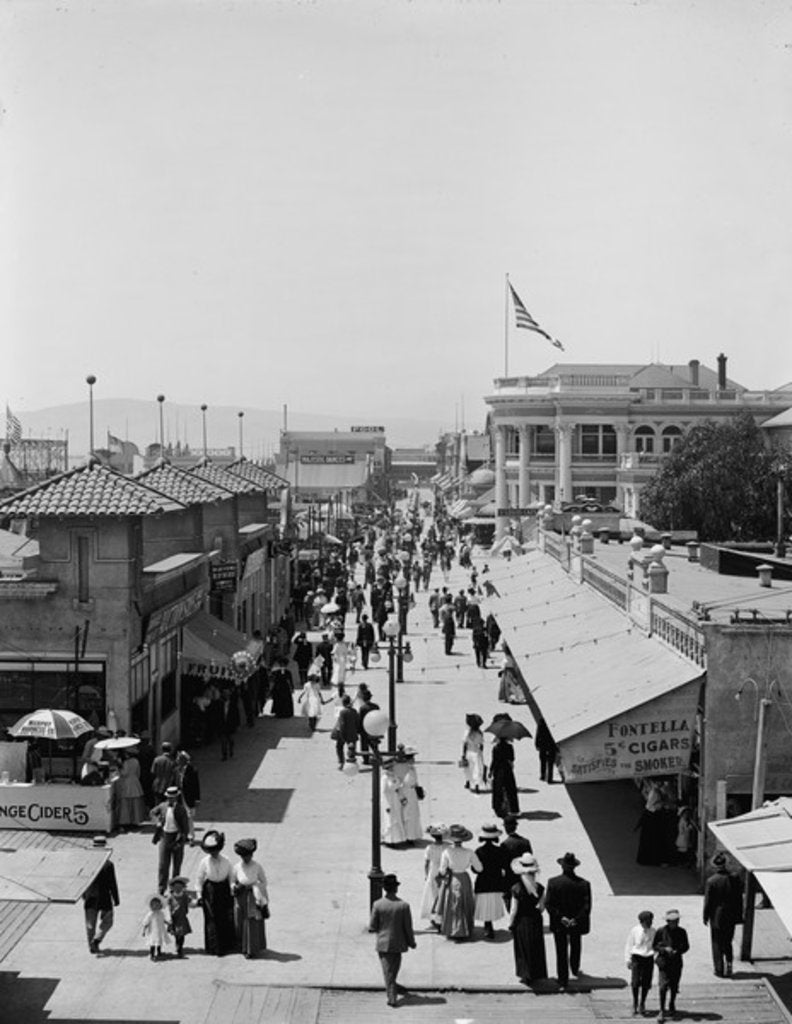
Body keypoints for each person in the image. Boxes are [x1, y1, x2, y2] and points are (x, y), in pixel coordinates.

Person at [544, 851, 592, 991]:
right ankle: (575, 968)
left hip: (560, 923)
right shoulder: (584, 884)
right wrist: (576, 919)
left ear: (562, 866)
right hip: (576, 922)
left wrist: (561, 917)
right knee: (576, 945)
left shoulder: (553, 882)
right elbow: (587, 906)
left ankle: (563, 979)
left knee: (561, 950)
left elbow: (549, 904)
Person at [369, 873, 416, 1009]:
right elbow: (408, 928)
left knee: (388, 971)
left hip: (383, 944)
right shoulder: (404, 906)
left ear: (384, 888)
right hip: (398, 943)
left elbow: (372, 926)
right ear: (395, 889)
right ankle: (393, 991)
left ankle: (392, 996)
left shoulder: (377, 905)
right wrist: (411, 942)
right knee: (393, 969)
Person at [435, 824, 481, 941]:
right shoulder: (469, 852)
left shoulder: (447, 851)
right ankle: (465, 929)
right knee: (465, 902)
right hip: (464, 878)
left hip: (452, 878)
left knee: (452, 903)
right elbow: (479, 868)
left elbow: (442, 869)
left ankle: (452, 929)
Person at [507, 852, 547, 987]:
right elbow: (542, 907)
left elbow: (513, 910)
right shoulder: (540, 888)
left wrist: (510, 924)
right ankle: (536, 973)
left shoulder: (516, 888)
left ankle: (525, 974)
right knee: (535, 947)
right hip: (535, 919)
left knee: (523, 949)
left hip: (521, 921)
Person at [195, 830, 236, 956]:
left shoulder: (226, 860)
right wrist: (199, 895)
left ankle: (227, 946)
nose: (213, 853)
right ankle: (213, 947)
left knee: (225, 917)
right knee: (211, 919)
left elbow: (231, 877)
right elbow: (199, 879)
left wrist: (232, 888)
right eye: (211, 851)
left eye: (215, 850)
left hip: (223, 890)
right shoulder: (204, 862)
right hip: (210, 891)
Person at [703, 852, 743, 978]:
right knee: (728, 941)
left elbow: (708, 901)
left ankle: (719, 968)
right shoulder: (735, 878)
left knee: (717, 942)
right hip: (730, 914)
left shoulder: (711, 881)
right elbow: (739, 899)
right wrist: (739, 915)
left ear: (715, 866)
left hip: (717, 916)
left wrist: (705, 915)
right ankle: (729, 964)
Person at [231, 838, 269, 959]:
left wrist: (254, 886)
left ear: (252, 855)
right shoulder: (237, 867)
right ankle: (242, 946)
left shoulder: (257, 866)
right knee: (241, 920)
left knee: (252, 921)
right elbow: (232, 881)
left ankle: (252, 949)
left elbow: (264, 881)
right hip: (241, 896)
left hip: (253, 896)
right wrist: (235, 886)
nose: (246, 859)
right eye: (243, 857)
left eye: (248, 856)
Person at [83, 836, 119, 953]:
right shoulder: (108, 865)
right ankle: (97, 939)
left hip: (90, 897)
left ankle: (91, 946)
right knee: (108, 921)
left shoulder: (87, 863)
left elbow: (82, 881)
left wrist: (83, 895)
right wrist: (116, 898)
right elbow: (112, 883)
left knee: (90, 924)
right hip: (105, 897)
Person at [150, 785, 189, 894]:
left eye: (173, 797)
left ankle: (174, 887)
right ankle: (161, 888)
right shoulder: (162, 806)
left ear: (176, 797)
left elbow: (185, 828)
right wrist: (157, 821)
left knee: (177, 864)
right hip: (165, 836)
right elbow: (152, 813)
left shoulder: (181, 810)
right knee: (163, 865)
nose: (171, 799)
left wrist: (181, 841)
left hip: (176, 837)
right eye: (169, 797)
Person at [653, 909, 689, 1022]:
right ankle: (662, 1009)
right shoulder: (660, 931)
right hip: (664, 962)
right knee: (663, 987)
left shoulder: (682, 932)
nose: (673, 923)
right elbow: (654, 946)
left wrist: (677, 951)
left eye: (675, 921)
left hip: (676, 962)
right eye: (671, 921)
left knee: (674, 986)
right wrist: (664, 949)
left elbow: (686, 946)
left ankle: (672, 1003)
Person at [472, 823, 506, 940]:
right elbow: (504, 865)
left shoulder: (479, 851)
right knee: (492, 904)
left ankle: (487, 925)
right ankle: (489, 926)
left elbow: (475, 870)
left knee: (485, 904)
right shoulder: (500, 850)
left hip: (483, 882)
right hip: (496, 881)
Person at [624, 909, 656, 1016]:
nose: (649, 923)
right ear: (642, 922)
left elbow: (655, 945)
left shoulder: (653, 931)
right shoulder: (635, 930)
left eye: (651, 921)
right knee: (635, 982)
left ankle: (642, 1002)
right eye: (647, 921)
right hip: (637, 957)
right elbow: (629, 945)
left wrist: (655, 956)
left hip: (648, 957)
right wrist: (628, 959)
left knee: (646, 982)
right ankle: (635, 1002)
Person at [501, 815, 533, 909]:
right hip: (524, 877)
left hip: (509, 879)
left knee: (511, 905)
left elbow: (503, 864)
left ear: (506, 827)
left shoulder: (504, 844)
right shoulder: (526, 842)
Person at [393, 744, 423, 844]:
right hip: (405, 794)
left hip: (412, 793)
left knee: (413, 815)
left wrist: (419, 791)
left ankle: (411, 836)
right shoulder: (401, 768)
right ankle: (406, 836)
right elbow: (398, 784)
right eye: (410, 758)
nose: (413, 759)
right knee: (406, 815)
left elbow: (415, 781)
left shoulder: (412, 768)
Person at [420, 823, 448, 930]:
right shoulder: (447, 847)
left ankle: (433, 916)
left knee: (432, 894)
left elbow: (426, 863)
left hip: (433, 871)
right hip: (444, 870)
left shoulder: (429, 848)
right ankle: (442, 916)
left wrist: (426, 875)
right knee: (442, 894)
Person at [116, 748, 146, 831]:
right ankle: (136, 821)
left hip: (127, 783)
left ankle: (126, 821)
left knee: (126, 803)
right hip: (135, 782)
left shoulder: (126, 762)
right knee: (135, 803)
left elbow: (124, 773)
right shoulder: (136, 761)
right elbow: (138, 773)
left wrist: (119, 767)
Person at [490, 737, 519, 819]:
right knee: (511, 790)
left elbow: (494, 761)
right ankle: (513, 809)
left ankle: (498, 808)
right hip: (507, 770)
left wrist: (490, 771)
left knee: (498, 790)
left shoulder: (496, 748)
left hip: (498, 770)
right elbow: (512, 758)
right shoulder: (510, 747)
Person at [176, 751, 200, 845]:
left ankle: (191, 837)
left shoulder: (192, 770)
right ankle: (182, 836)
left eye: (179, 759)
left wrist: (197, 799)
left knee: (189, 817)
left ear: (184, 760)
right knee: (179, 818)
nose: (177, 760)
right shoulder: (177, 770)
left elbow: (196, 785)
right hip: (179, 796)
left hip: (188, 797)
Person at [167, 876, 193, 958]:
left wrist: (198, 903)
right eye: (176, 887)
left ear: (183, 888)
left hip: (182, 919)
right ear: (172, 888)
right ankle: (177, 944)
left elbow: (191, 903)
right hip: (174, 919)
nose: (178, 889)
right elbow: (167, 907)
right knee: (176, 934)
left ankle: (180, 947)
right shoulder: (170, 897)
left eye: (180, 887)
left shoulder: (185, 896)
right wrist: (168, 918)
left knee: (181, 934)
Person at [142, 892, 170, 961]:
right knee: (153, 943)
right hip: (152, 931)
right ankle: (152, 955)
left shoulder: (161, 913)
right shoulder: (150, 914)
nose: (155, 907)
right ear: (151, 906)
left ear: (160, 906)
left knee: (159, 942)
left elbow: (163, 920)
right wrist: (144, 931)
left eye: (157, 905)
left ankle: (159, 952)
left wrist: (168, 923)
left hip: (160, 930)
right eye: (153, 905)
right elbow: (146, 923)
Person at [462, 713, 485, 793]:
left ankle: (468, 782)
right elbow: (481, 745)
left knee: (468, 768)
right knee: (477, 770)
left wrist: (463, 754)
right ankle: (477, 786)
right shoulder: (480, 734)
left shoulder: (467, 733)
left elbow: (464, 744)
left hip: (469, 752)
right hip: (477, 753)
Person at [216, 687, 241, 757]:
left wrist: (238, 724)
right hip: (223, 725)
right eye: (224, 694)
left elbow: (236, 715)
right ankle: (224, 755)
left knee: (231, 740)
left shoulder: (233, 704)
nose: (226, 695)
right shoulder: (220, 703)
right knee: (223, 741)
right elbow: (217, 715)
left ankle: (231, 750)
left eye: (227, 694)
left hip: (230, 725)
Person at [535, 717, 558, 784]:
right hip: (551, 745)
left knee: (543, 762)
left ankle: (543, 775)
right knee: (550, 763)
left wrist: (537, 744)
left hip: (543, 746)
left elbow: (538, 734)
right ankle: (549, 778)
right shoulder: (552, 723)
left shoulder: (541, 724)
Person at [331, 631, 350, 696]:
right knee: (342, 671)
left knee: (337, 670)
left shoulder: (336, 645)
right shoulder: (344, 645)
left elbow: (333, 652)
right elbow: (346, 652)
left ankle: (337, 681)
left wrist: (333, 656)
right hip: (343, 659)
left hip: (338, 658)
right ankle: (341, 681)